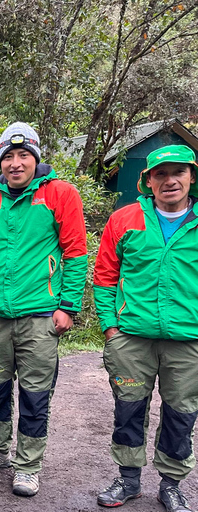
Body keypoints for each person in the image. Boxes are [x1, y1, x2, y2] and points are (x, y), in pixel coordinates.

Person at [0, 122, 87, 497]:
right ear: (1, 161)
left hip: (40, 315)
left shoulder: (60, 194)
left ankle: (28, 464)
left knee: (35, 394)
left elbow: (76, 252)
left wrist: (68, 307)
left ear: (36, 158)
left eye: (23, 156)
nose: (16, 164)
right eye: (9, 157)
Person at [94, 145, 198, 512]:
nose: (170, 181)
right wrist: (110, 329)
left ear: (191, 177)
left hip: (189, 342)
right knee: (128, 409)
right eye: (161, 174)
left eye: (178, 173)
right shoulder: (125, 219)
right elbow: (104, 277)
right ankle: (129, 479)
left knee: (181, 414)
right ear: (148, 181)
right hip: (131, 338)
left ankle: (171, 484)